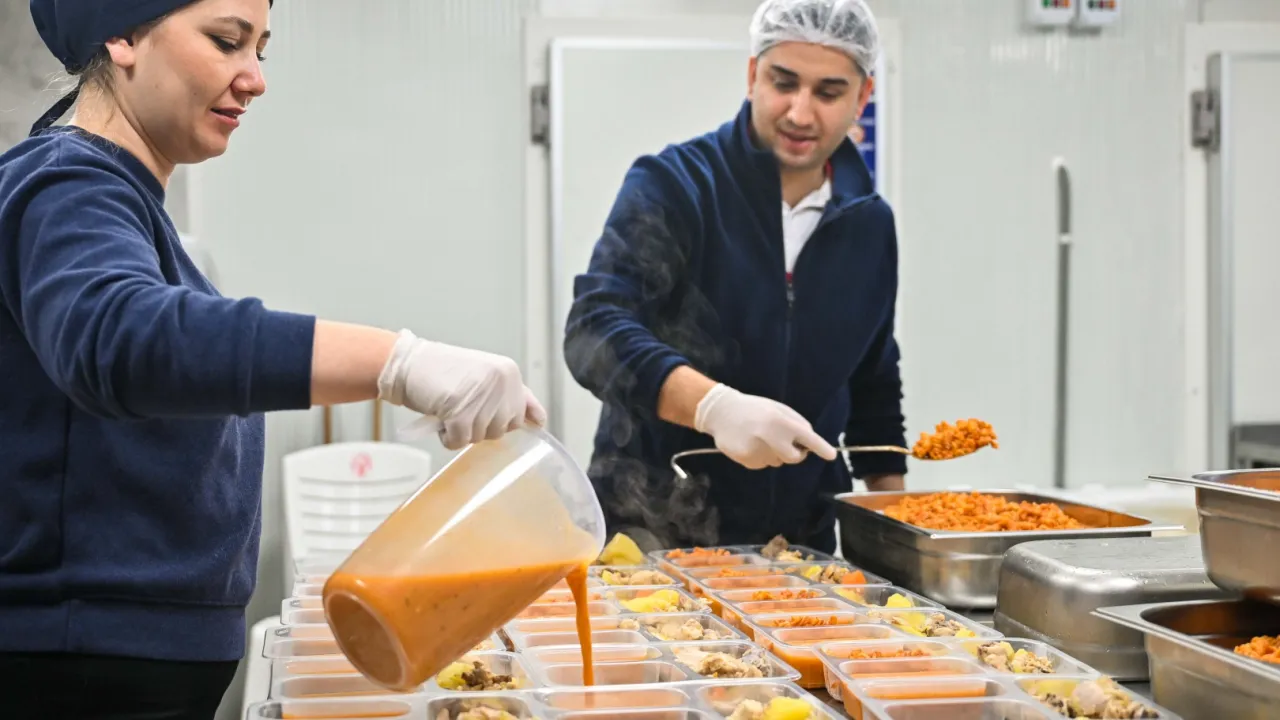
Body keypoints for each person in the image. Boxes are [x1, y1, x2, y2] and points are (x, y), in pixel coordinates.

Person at [0, 1, 544, 717]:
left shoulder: (124, 204)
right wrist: (398, 363)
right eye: (226, 41)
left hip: (119, 660)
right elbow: (122, 338)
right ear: (123, 36)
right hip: (78, 666)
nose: (254, 79)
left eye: (260, 50)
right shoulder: (68, 183)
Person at [564, 0, 905, 554]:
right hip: (654, 528)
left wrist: (900, 541)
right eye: (783, 83)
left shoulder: (869, 223)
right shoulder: (675, 185)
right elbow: (594, 330)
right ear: (752, 75)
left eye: (828, 92)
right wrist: (713, 407)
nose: (800, 113)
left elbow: (874, 383)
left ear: (862, 97)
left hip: (798, 545)